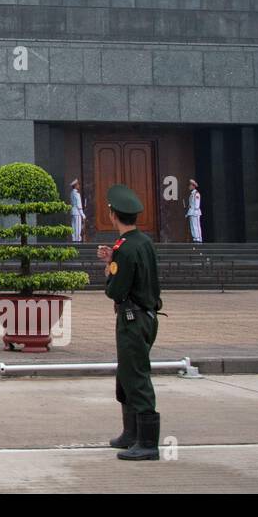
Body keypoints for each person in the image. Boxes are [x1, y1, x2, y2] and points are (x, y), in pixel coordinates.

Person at [96, 184, 162, 462]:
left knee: (135, 377)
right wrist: (114, 260)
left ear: (113, 215)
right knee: (126, 374)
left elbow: (116, 291)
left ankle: (147, 442)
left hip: (132, 319)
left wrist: (110, 270)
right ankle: (130, 433)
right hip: (146, 316)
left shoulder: (124, 249)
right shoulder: (142, 242)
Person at [186, 178, 203, 243]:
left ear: (193, 186)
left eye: (190, 185)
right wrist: (188, 213)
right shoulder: (191, 194)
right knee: (192, 226)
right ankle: (195, 237)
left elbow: (196, 205)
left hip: (195, 212)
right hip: (191, 212)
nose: (189, 187)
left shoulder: (196, 194)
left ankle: (198, 238)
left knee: (196, 225)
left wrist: (194, 211)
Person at [69, 178, 85, 242]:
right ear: (75, 186)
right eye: (78, 185)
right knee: (78, 228)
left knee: (73, 227)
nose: (79, 186)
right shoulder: (77, 194)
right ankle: (77, 240)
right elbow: (79, 205)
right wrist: (83, 214)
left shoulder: (71, 193)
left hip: (72, 212)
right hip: (77, 213)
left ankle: (74, 239)